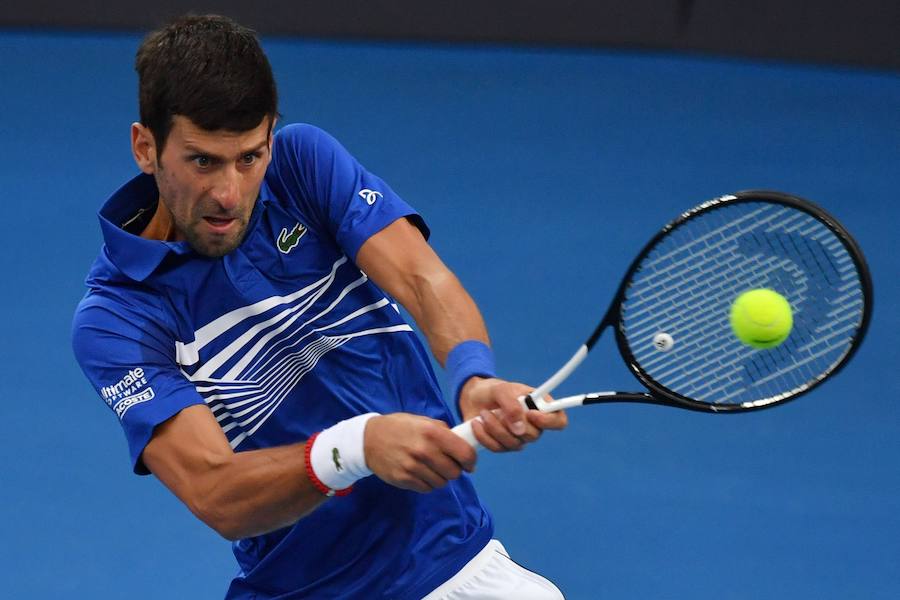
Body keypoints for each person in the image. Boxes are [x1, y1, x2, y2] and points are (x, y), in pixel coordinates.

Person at [71, 14, 567, 600]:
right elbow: (215, 492)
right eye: (203, 161)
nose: (229, 194)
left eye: (250, 157)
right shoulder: (117, 317)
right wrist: (356, 448)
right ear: (146, 148)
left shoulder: (303, 165)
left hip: (455, 564)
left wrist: (471, 376)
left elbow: (419, 277)